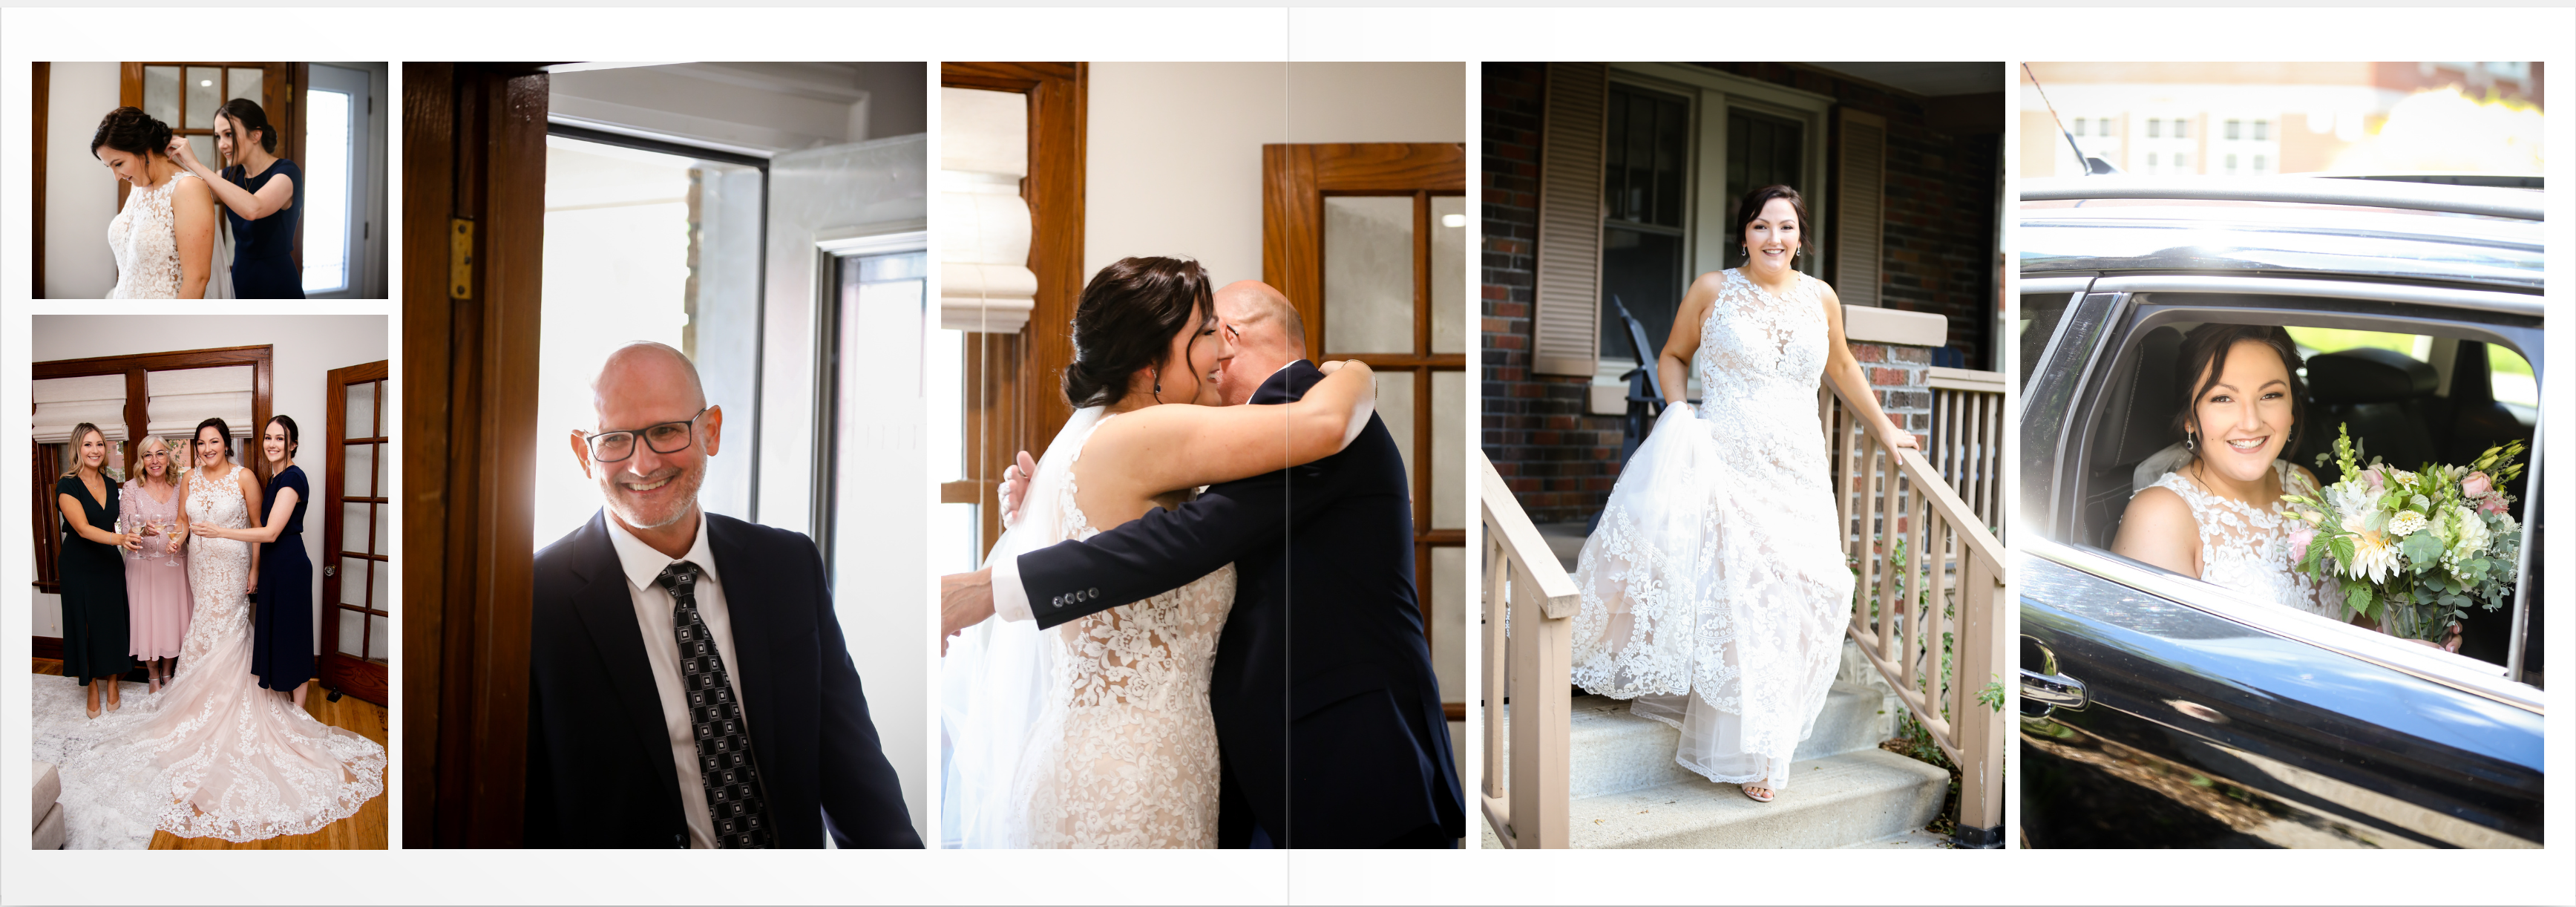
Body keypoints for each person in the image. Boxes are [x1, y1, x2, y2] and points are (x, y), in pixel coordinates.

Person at [943, 269, 1464, 848]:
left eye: (1215, 331)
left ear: (1232, 339)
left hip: (1345, 763)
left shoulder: (1309, 414)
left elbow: (1186, 539)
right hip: (1172, 771)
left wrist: (991, 587)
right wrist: (1058, 504)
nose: (1214, 350)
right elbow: (1162, 534)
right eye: (1202, 333)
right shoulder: (1238, 437)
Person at [1563, 186, 1916, 804]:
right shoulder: (1712, 289)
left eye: (1784, 227)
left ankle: (1771, 731)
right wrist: (1679, 415)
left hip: (1799, 470)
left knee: (1813, 589)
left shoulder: (1820, 298)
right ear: (1743, 235)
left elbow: (1843, 369)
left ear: (1800, 237)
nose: (1772, 238)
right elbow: (1673, 356)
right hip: (1726, 459)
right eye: (1760, 226)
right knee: (1743, 595)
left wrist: (1886, 430)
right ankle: (1760, 750)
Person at [525, 341, 919, 848]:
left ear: (710, 430)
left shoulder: (788, 567)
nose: (642, 464)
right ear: (585, 453)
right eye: (616, 439)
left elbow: (857, 781)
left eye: (665, 431)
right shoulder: (536, 603)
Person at [50, 417, 384, 847]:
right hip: (199, 569)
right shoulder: (188, 478)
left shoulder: (246, 476)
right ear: (194, 449)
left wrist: (257, 569)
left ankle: (232, 705)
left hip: (231, 568)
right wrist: (179, 537)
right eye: (201, 443)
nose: (207, 449)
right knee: (201, 631)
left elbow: (265, 530)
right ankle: (194, 704)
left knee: (230, 632)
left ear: (227, 445)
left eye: (215, 443)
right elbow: (186, 524)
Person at [192, 416, 315, 704]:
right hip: (274, 567)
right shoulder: (274, 477)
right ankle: (285, 698)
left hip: (289, 566)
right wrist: (258, 567)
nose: (272, 444)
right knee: (278, 634)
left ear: (293, 444)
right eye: (268, 437)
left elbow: (271, 532)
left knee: (293, 636)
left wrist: (219, 531)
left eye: (280, 438)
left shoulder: (293, 478)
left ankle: (298, 712)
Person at [168, 99, 301, 298]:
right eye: (218, 137)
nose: (222, 145)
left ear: (256, 135)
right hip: (241, 274)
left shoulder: (287, 172)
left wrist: (195, 163)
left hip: (276, 278)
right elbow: (188, 195)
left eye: (228, 135)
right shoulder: (229, 175)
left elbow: (254, 209)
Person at [56, 424, 137, 718]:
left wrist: (140, 531)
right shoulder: (67, 484)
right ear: (78, 448)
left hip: (108, 562)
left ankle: (113, 680)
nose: (95, 450)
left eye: (100, 444)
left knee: (112, 622)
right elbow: (82, 528)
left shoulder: (111, 482)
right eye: (88, 445)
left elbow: (122, 523)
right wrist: (120, 539)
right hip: (78, 564)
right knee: (85, 625)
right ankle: (91, 684)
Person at [93, 107, 217, 299]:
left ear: (145, 150)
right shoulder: (138, 186)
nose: (116, 177)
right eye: (109, 167)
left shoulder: (188, 188)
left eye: (118, 164)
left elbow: (197, 279)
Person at [119, 436, 191, 696]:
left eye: (160, 454)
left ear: (168, 457)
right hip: (143, 566)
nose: (155, 460)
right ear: (141, 460)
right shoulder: (131, 489)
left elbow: (187, 522)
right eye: (148, 455)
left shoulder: (182, 484)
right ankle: (152, 676)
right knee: (147, 620)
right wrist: (144, 532)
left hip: (175, 565)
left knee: (171, 620)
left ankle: (168, 671)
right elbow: (127, 530)